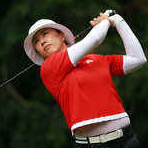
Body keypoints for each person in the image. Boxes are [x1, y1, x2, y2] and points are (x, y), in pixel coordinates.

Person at [24, 10, 147, 148]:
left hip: (126, 141)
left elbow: (138, 59)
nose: (42, 41)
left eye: (45, 33)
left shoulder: (96, 59)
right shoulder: (49, 68)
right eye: (36, 41)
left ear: (62, 35)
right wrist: (105, 20)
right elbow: (95, 39)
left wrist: (118, 21)